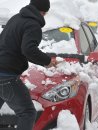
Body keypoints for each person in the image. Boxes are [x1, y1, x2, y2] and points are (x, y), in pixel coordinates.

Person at [0, 0, 57, 130]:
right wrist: (47, 61)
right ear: (43, 11)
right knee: (27, 112)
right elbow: (28, 50)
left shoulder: (16, 19)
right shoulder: (33, 24)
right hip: (6, 77)